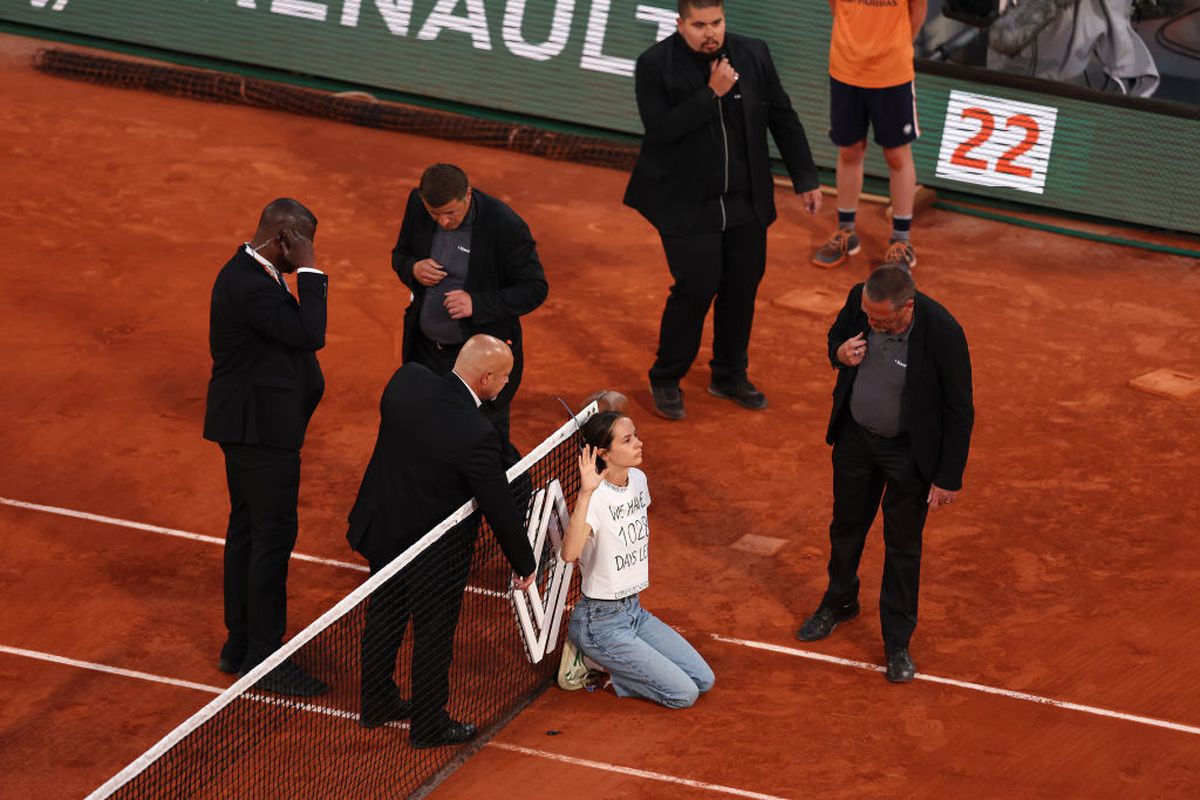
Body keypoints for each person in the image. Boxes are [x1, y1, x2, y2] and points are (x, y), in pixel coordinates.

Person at [624, 0, 823, 421]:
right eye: (699, 25)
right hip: (686, 202)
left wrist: (805, 176)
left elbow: (782, 116)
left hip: (745, 200)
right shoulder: (654, 64)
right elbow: (660, 132)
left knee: (741, 285)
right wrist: (709, 94)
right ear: (680, 24)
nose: (709, 32)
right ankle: (665, 377)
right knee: (697, 285)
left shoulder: (753, 53)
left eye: (716, 22)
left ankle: (729, 375)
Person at [347, 335, 537, 747]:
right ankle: (429, 725)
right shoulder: (474, 433)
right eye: (504, 378)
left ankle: (376, 702)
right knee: (433, 635)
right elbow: (499, 508)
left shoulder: (407, 380)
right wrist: (525, 564)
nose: (506, 385)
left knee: (384, 615)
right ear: (486, 377)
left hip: (383, 529)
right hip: (434, 555)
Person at [796, 265, 973, 682]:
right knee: (846, 528)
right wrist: (838, 354)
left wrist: (949, 477)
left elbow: (959, 409)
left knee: (903, 546)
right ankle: (839, 602)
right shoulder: (862, 301)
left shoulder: (944, 332)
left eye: (881, 320)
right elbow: (835, 338)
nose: (872, 324)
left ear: (907, 306)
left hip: (909, 454)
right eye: (868, 316)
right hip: (856, 441)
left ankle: (897, 642)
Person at [203, 198, 329, 696]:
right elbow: (309, 334)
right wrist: (313, 271)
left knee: (248, 532)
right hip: (260, 432)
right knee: (270, 539)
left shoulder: (253, 274)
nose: (308, 254)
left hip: (253, 426)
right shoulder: (249, 283)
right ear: (284, 239)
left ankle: (239, 643)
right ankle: (264, 655)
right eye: (303, 245)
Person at [555, 411, 715, 708]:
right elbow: (569, 554)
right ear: (603, 453)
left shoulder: (639, 480)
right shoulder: (595, 499)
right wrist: (586, 493)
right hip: (599, 622)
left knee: (704, 679)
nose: (639, 444)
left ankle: (609, 659)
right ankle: (594, 663)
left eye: (636, 436)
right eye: (628, 440)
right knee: (683, 694)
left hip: (635, 612)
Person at [391, 163, 548, 447]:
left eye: (450, 213)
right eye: (434, 214)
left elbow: (534, 288)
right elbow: (400, 254)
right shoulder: (417, 204)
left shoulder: (506, 226)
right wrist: (413, 268)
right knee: (425, 437)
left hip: (478, 364)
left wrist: (477, 303)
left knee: (482, 442)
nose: (443, 222)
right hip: (426, 353)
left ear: (468, 196)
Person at [811, 0, 927, 272]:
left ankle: (901, 242)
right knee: (849, 150)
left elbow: (918, 11)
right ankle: (846, 231)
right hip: (845, 68)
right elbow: (836, 7)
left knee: (897, 155)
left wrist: (893, 45)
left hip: (892, 72)